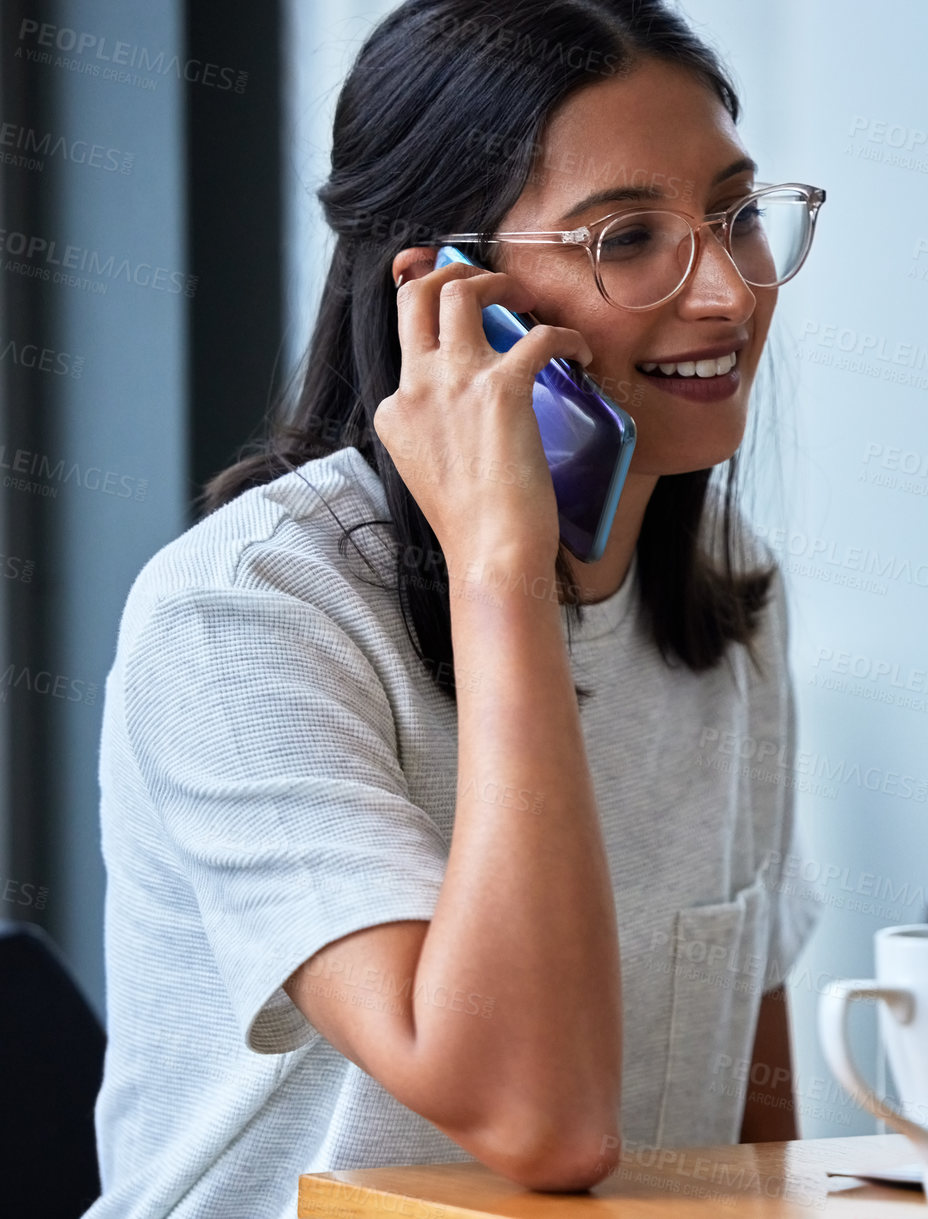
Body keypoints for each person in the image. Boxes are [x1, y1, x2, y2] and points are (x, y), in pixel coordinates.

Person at [86, 2, 826, 1214]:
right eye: (631, 237)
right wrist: (501, 571)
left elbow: (752, 1121)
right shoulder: (246, 616)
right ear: (449, 296)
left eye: (736, 217)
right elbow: (539, 1122)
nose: (731, 297)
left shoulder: (727, 592)